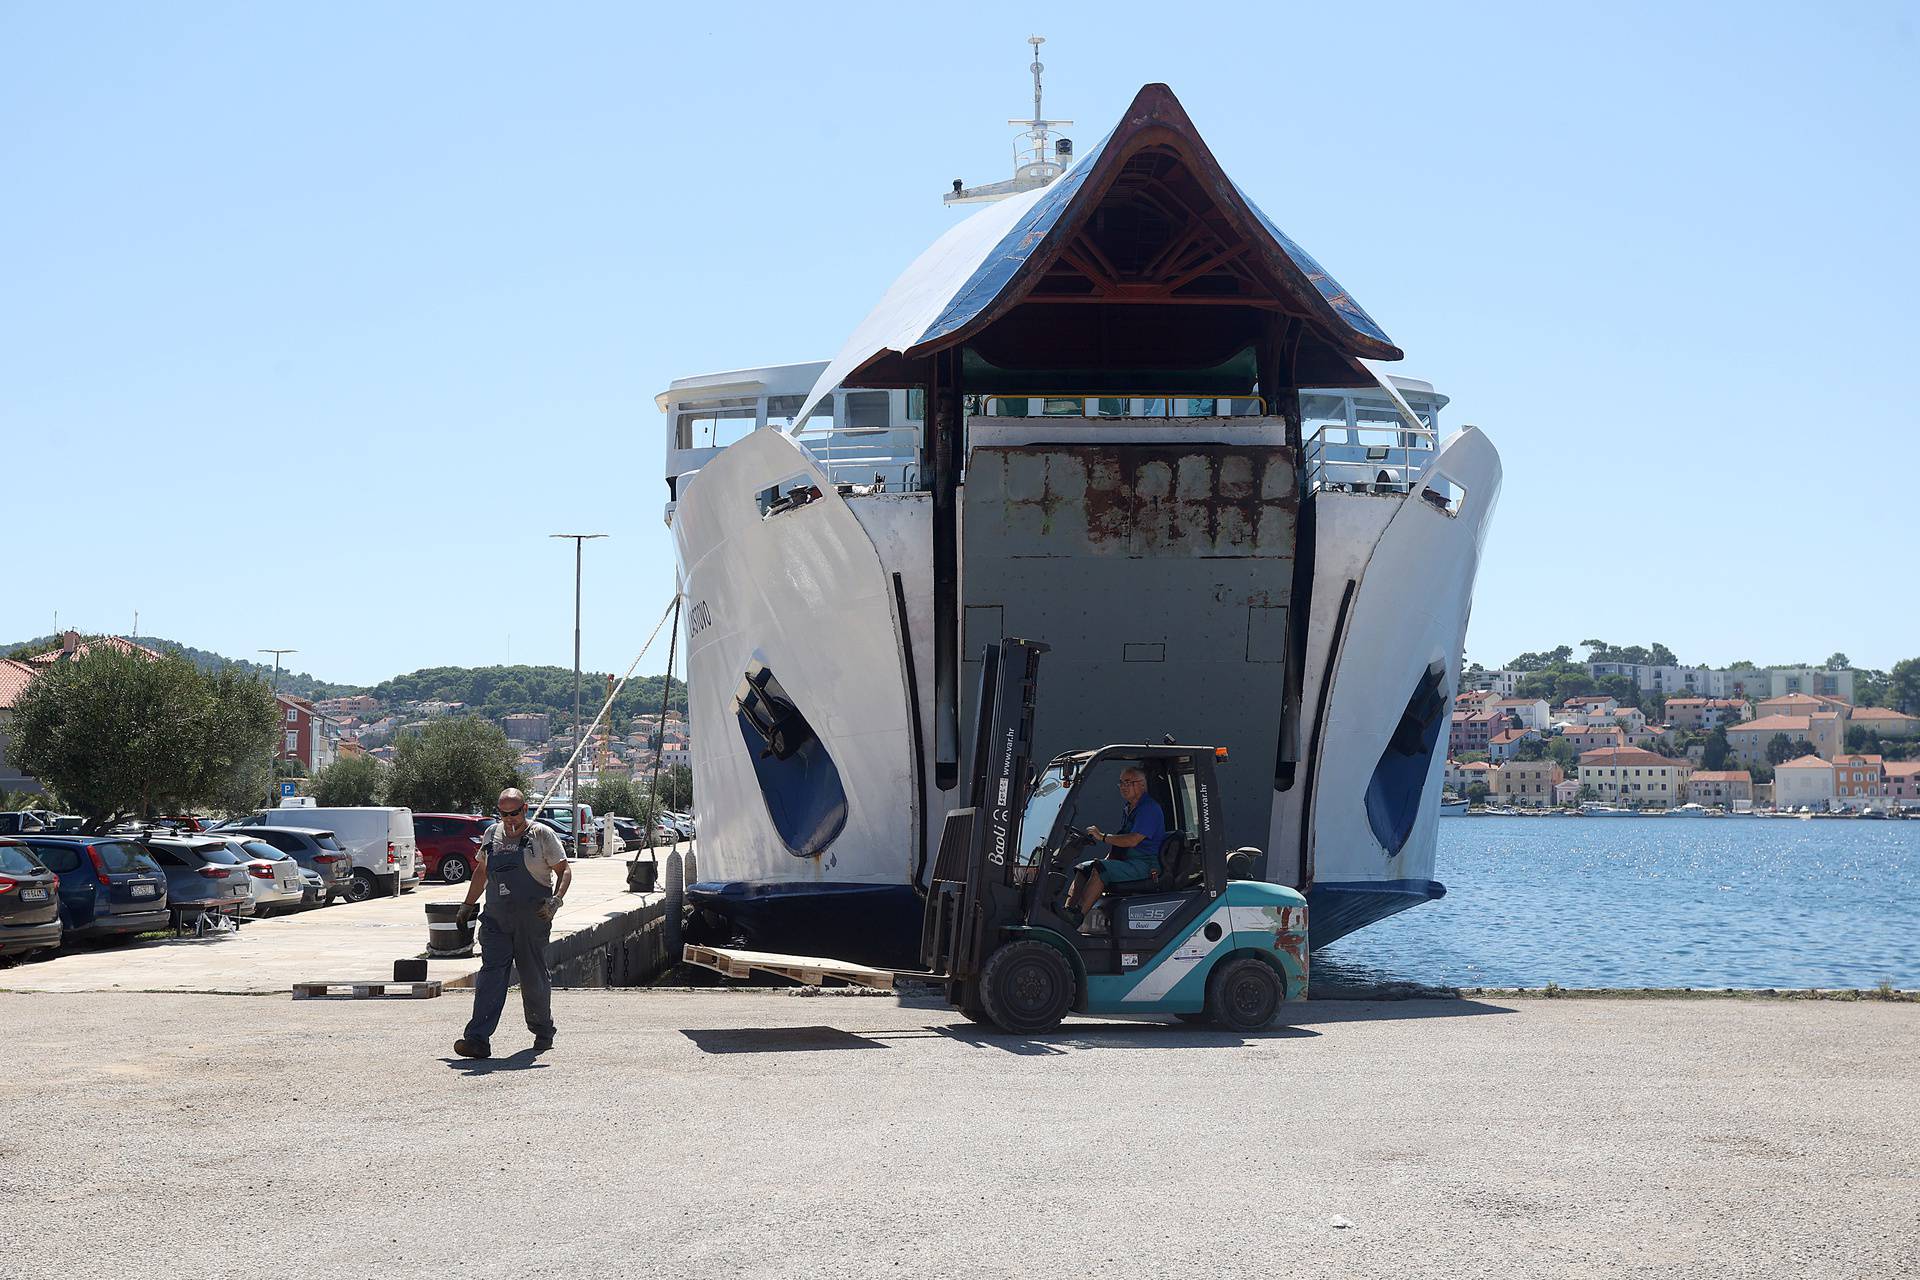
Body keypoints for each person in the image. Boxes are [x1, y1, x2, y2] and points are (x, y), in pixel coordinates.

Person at [453, 788, 572, 1059]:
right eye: (503, 813)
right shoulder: (491, 835)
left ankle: (543, 1030)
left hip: (532, 919)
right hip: (496, 919)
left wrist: (555, 901)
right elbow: (482, 871)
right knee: (491, 976)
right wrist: (467, 905)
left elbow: (564, 870)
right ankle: (477, 1039)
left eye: (514, 813)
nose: (509, 819)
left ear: (525, 809)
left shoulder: (541, 835)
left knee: (532, 976)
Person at [1059, 766, 1166, 929]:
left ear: (1142, 785)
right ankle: (1067, 912)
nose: (1123, 786)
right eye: (1121, 782)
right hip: (1129, 862)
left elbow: (1133, 840)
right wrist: (1106, 859)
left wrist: (1102, 837)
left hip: (1144, 865)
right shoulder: (1129, 808)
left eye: (1128, 782)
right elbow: (1120, 844)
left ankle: (1077, 916)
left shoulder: (1149, 809)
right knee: (1083, 868)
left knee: (1100, 869)